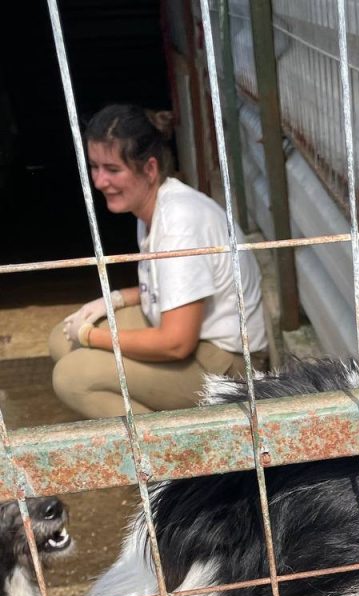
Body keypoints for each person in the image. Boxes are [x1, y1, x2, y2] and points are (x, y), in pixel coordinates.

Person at [49, 104, 269, 418]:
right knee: (61, 339)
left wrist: (91, 336)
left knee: (73, 377)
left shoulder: (179, 223)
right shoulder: (152, 204)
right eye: (94, 167)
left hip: (227, 363)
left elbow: (176, 343)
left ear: (149, 169)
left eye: (112, 169)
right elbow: (175, 286)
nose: (98, 182)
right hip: (194, 338)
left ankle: (174, 453)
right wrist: (115, 298)